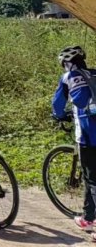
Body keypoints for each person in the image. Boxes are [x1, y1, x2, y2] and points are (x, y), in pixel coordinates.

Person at [52, 45, 96, 235]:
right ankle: (88, 218)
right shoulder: (94, 73)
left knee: (92, 178)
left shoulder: (67, 78)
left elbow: (58, 104)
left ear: (67, 63)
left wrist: (59, 115)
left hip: (89, 133)